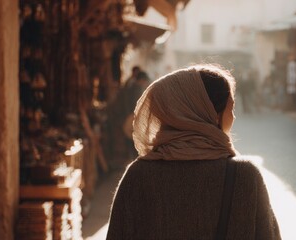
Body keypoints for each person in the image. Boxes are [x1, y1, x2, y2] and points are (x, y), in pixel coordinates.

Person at [106, 64, 281, 239]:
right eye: (231, 108)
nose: (233, 117)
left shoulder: (138, 176)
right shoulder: (244, 176)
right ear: (213, 114)